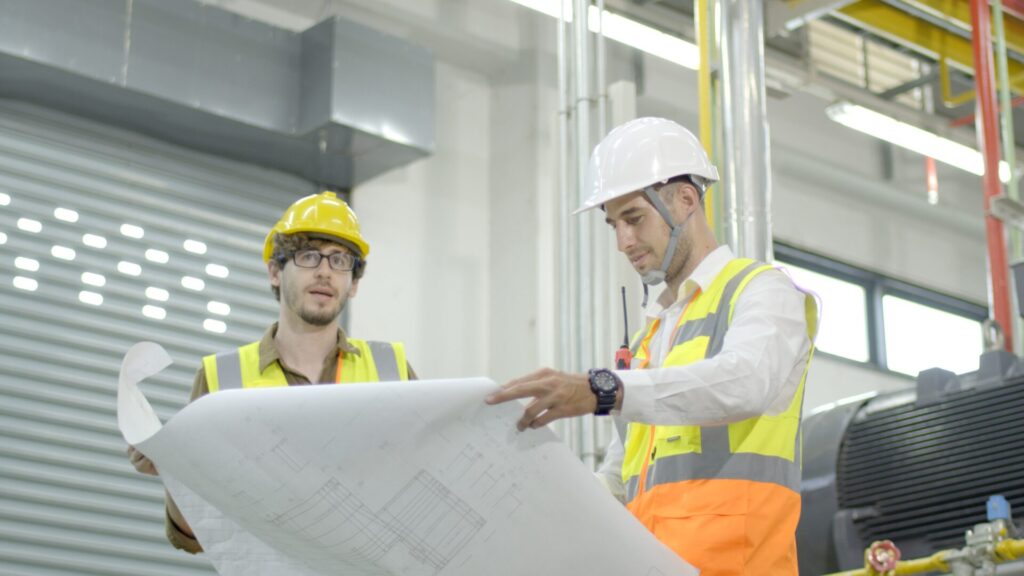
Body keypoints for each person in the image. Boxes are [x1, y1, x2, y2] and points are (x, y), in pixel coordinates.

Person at [486, 117, 818, 576]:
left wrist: (606, 389)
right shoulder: (651, 340)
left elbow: (746, 382)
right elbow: (622, 480)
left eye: (634, 218)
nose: (623, 242)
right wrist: (536, 501)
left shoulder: (762, 291)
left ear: (685, 199)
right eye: (613, 225)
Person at [126, 191, 415, 554]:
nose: (325, 270)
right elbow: (195, 536)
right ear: (275, 272)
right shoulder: (221, 378)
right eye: (309, 256)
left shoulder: (391, 369)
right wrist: (175, 471)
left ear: (353, 283)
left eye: (341, 260)